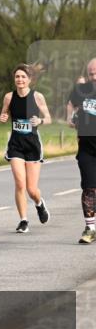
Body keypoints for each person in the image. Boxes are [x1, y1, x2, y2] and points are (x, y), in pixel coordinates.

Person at [0, 64, 52, 233]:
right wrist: (3, 117)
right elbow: (4, 115)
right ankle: (23, 220)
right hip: (16, 144)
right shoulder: (8, 97)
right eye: (17, 77)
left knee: (31, 189)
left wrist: (41, 121)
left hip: (32, 145)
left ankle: (39, 203)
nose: (20, 80)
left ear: (29, 79)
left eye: (23, 77)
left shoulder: (37, 97)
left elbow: (49, 118)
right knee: (20, 184)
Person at [67, 57, 96, 244]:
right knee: (89, 187)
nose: (94, 76)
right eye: (91, 73)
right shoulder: (82, 90)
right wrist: (70, 117)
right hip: (86, 148)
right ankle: (90, 228)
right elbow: (71, 103)